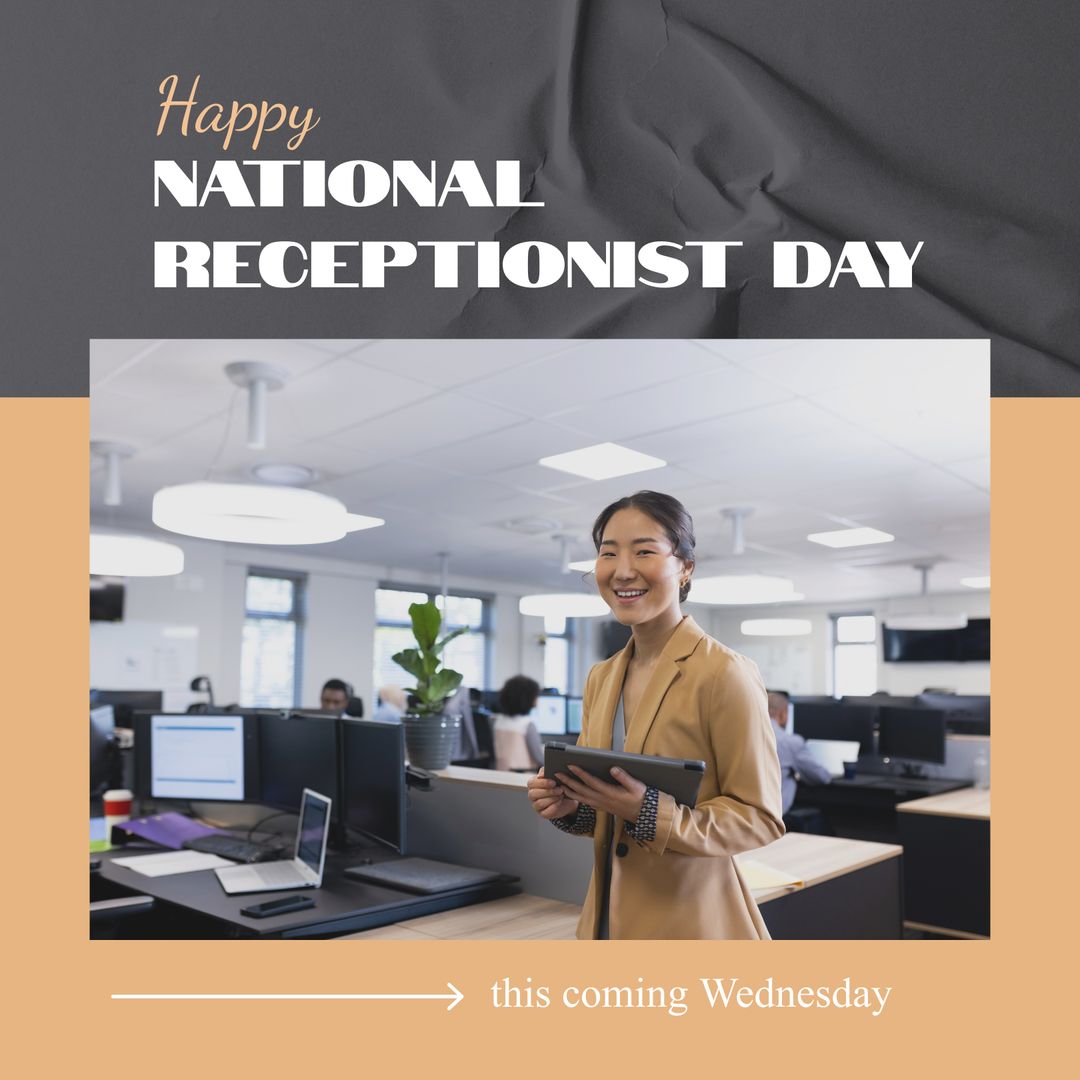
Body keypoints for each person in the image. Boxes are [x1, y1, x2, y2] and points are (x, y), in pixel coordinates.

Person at [526, 491, 784, 940]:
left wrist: (650, 812)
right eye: (608, 553)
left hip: (691, 923)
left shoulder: (724, 673)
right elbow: (610, 807)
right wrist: (573, 807)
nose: (623, 570)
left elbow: (758, 818)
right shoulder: (601, 677)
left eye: (644, 551)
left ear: (685, 567)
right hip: (605, 920)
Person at [767, 691, 832, 815]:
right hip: (773, 814)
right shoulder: (790, 742)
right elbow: (820, 777)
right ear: (783, 714)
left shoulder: (741, 736)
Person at [491, 675, 544, 771]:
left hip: (501, 773)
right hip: (524, 776)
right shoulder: (527, 724)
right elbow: (540, 758)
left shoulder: (498, 721)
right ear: (527, 698)